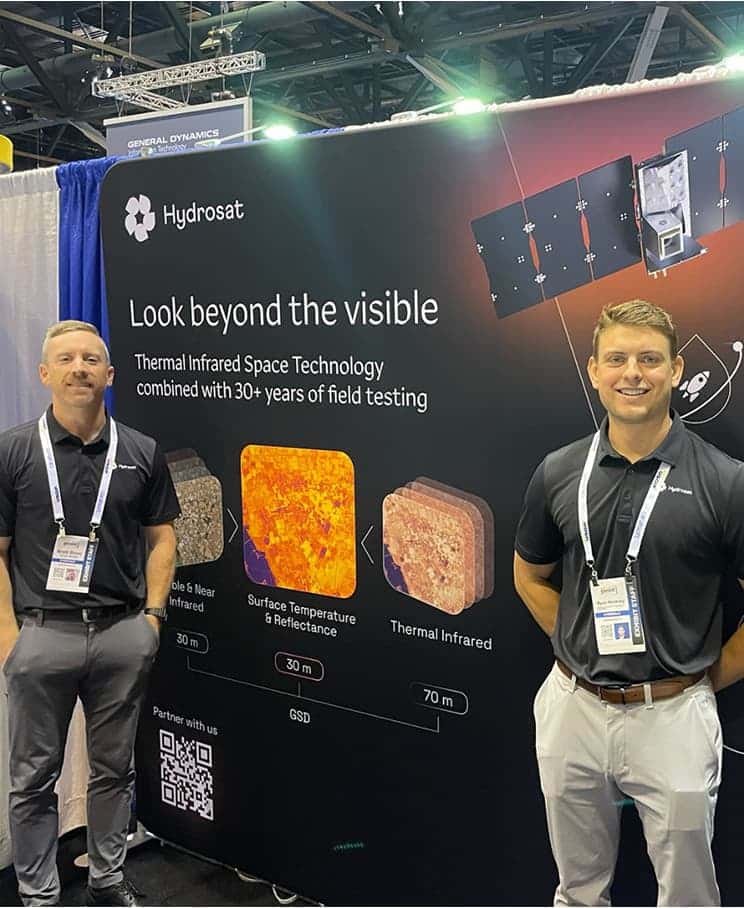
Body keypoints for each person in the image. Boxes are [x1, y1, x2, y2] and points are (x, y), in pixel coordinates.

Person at [514, 299, 744, 907]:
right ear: (594, 370)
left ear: (676, 369)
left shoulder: (726, 481)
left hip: (673, 716)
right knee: (577, 890)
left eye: (649, 359)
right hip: (573, 708)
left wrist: (701, 681)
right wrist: (576, 642)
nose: (632, 373)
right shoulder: (559, 471)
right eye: (616, 359)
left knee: (688, 894)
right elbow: (528, 575)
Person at [0, 320, 180, 908]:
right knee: (33, 779)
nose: (79, 368)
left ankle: (106, 878)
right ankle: (38, 894)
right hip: (41, 635)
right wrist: (9, 638)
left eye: (91, 359)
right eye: (66, 359)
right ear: (44, 373)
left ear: (110, 374)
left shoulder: (141, 451)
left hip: (122, 633)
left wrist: (152, 620)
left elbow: (162, 540)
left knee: (114, 770)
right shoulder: (13, 451)